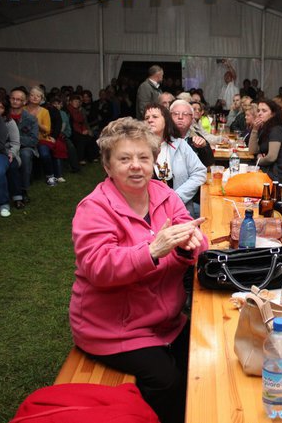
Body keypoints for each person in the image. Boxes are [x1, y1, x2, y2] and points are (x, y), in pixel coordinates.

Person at [70, 117, 208, 423]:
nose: (136, 166)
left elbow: (197, 239)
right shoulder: (94, 208)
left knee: (206, 358)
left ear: (154, 161)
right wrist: (152, 251)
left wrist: (189, 246)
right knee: (168, 382)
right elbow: (98, 267)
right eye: (124, 159)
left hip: (165, 320)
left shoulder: (164, 195)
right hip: (113, 330)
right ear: (107, 166)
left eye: (144, 157)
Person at [144, 103, 206, 218]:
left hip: (180, 210)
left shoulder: (180, 144)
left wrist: (177, 197)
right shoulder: (139, 148)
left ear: (166, 121)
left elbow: (200, 172)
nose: (150, 120)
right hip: (150, 212)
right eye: (147, 117)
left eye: (155, 117)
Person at [249, 99, 282, 186]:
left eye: (264, 111)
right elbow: (252, 151)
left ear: (273, 114)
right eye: (258, 110)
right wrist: (255, 129)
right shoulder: (265, 128)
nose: (259, 113)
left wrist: (258, 160)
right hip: (270, 170)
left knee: (246, 179)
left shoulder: (276, 129)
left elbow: (271, 157)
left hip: (280, 174)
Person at [0, 96, 24, 210]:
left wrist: (11, 153)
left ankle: (17, 197)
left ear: (5, 110)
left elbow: (15, 143)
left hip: (7, 152)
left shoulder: (9, 122)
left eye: (1, 107)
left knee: (12, 165)